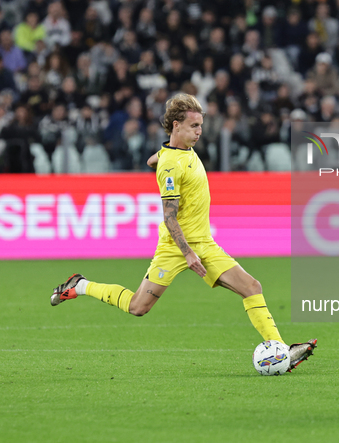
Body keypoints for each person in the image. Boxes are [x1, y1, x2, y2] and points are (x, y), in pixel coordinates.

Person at [50, 93, 316, 371]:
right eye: (194, 126)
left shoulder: (177, 153)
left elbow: (158, 157)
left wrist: (157, 158)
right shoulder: (170, 165)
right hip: (176, 248)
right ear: (176, 125)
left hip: (204, 243)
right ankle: (80, 285)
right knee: (138, 307)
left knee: (252, 287)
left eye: (200, 125)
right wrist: (187, 253)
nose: (199, 132)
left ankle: (281, 349)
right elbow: (169, 217)